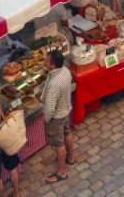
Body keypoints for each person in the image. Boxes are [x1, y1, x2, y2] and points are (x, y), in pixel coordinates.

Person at [42, 50, 75, 184]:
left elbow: (50, 109)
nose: (44, 62)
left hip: (56, 116)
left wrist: (46, 119)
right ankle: (71, 157)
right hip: (65, 110)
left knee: (58, 143)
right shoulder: (65, 71)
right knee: (67, 132)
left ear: (53, 65)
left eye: (46, 61)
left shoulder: (53, 84)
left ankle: (62, 171)